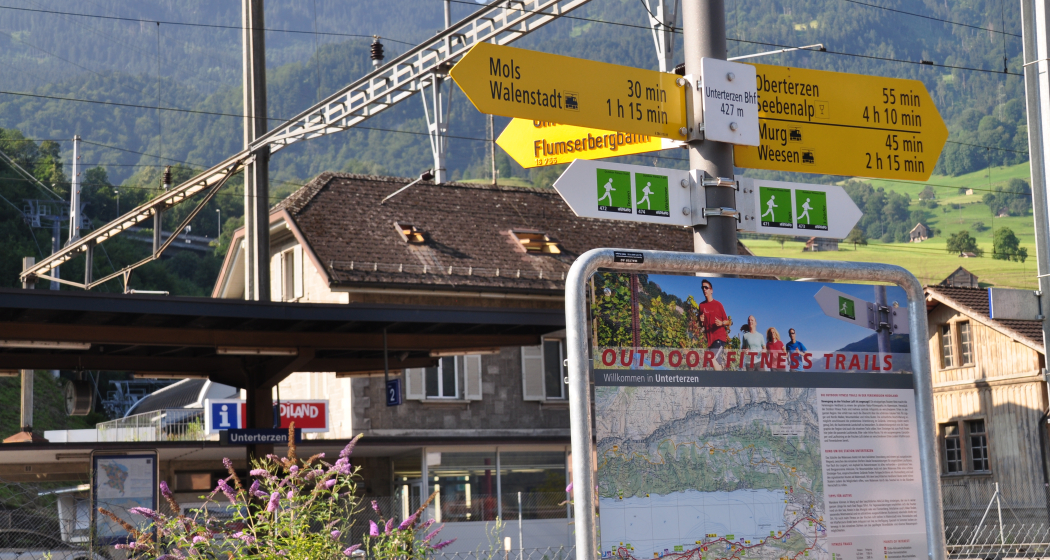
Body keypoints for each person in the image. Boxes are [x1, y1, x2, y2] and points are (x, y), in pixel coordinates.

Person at [697, 279, 730, 370]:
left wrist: (721, 323)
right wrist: (700, 320)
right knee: (715, 363)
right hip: (710, 340)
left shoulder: (718, 304)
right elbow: (701, 323)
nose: (704, 289)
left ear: (711, 290)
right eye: (702, 287)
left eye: (706, 287)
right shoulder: (701, 306)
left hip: (719, 337)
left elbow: (727, 321)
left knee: (712, 358)